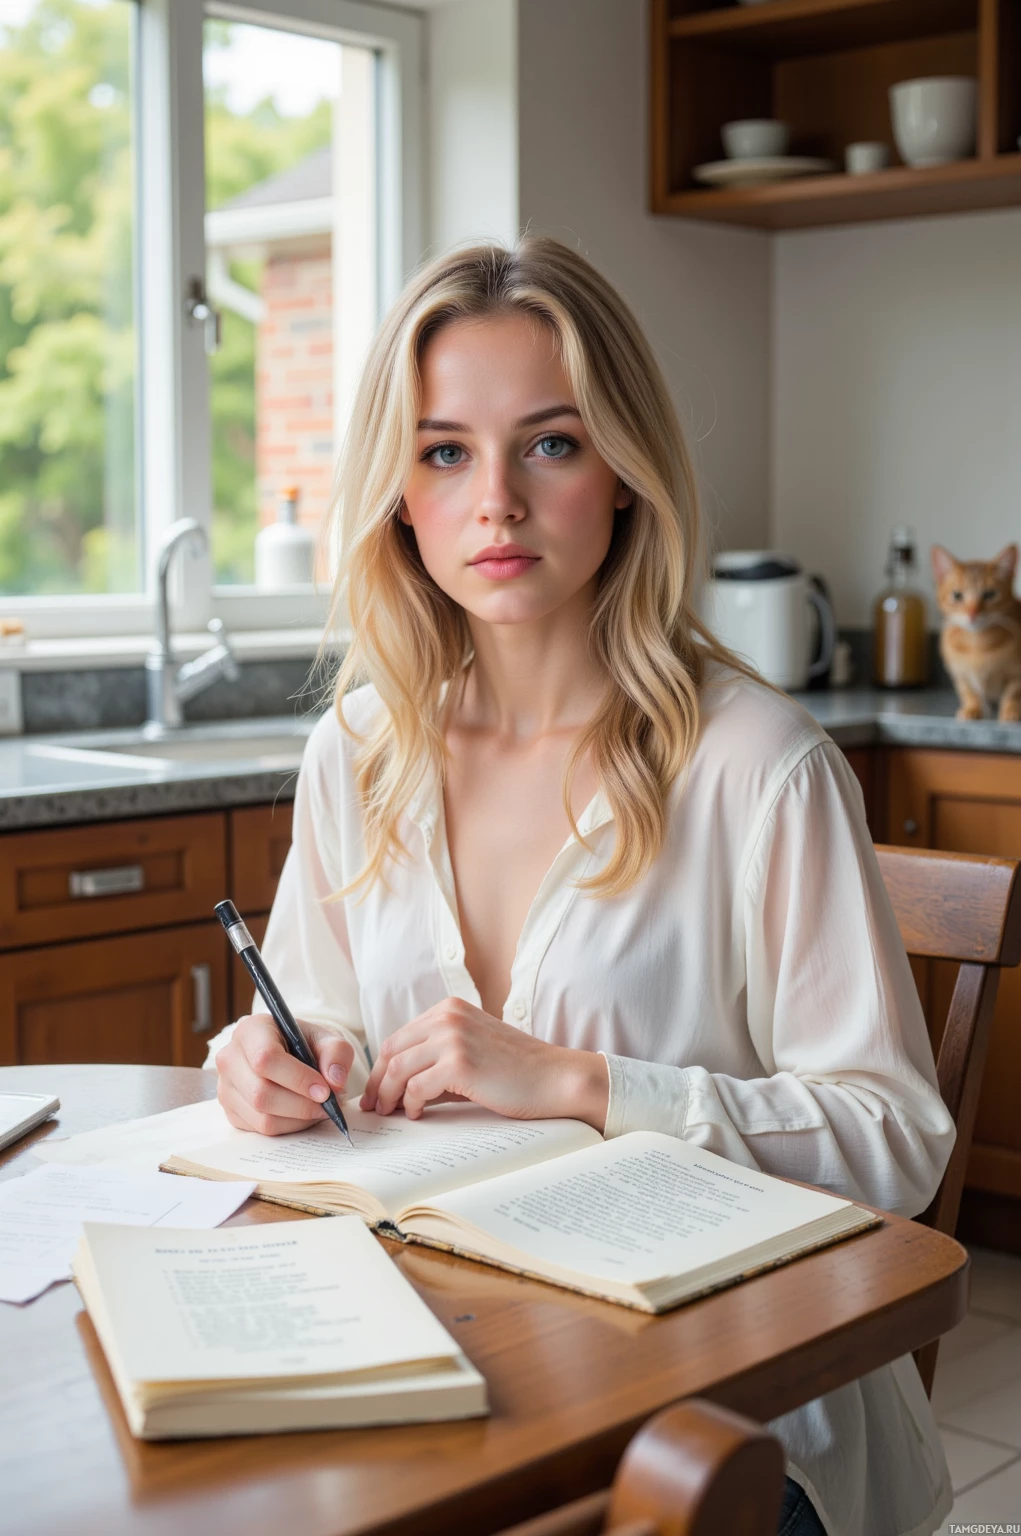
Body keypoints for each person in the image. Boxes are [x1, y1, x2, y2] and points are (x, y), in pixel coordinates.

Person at [204, 237, 956, 1536]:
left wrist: (586, 1087)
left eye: (549, 443)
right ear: (398, 492)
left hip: (727, 1424)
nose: (494, 499)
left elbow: (898, 1139)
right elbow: (309, 1020)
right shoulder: (358, 753)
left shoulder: (762, 767)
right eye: (445, 451)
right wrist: (269, 1064)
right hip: (443, 1362)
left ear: (625, 474)